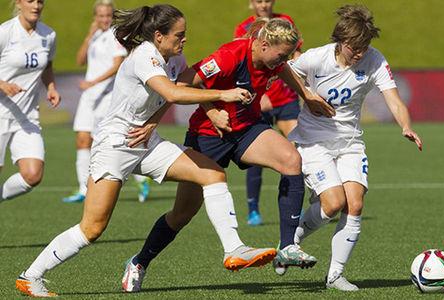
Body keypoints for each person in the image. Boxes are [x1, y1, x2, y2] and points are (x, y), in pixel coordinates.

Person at [16, 5, 277, 297]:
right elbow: (172, 92)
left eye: (185, 34)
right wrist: (221, 95)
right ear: (158, 35)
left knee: (213, 173)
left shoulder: (174, 56)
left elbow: (175, 88)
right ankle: (30, 275)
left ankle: (234, 249)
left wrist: (152, 123)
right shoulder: (144, 56)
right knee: (92, 229)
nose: (184, 40)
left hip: (145, 141)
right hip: (115, 144)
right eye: (179, 35)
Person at [122, 17, 337, 293]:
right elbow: (184, 82)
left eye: (285, 56)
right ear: (262, 43)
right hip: (209, 135)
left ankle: (288, 246)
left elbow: (284, 70)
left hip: (248, 130)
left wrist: (305, 94)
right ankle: (140, 262)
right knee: (181, 215)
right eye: (280, 55)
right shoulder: (229, 55)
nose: (281, 61)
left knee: (291, 159)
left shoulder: (274, 58)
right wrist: (212, 111)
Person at [284, 4, 423, 291]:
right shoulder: (317, 58)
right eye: (354, 48)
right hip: (313, 141)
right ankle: (292, 239)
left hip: (350, 142)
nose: (360, 53)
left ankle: (335, 276)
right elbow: (286, 71)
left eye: (364, 47)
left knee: (355, 204)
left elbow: (393, 99)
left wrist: (406, 126)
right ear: (341, 41)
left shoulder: (374, 60)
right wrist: (307, 95)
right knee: (333, 204)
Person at [234, 0, 304, 226]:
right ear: (251, 3)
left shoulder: (286, 22)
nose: (263, 4)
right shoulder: (243, 28)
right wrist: (258, 92)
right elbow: (243, 61)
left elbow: (296, 54)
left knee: (296, 149)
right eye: (259, 0)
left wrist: (301, 83)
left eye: (267, 0)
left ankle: (294, 204)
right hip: (259, 101)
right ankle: (253, 209)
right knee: (256, 155)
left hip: (285, 98)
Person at [62, 0, 128, 203]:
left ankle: (139, 176)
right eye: (101, 16)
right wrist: (89, 35)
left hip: (107, 96)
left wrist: (93, 82)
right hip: (89, 97)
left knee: (106, 142)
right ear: (95, 17)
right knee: (82, 139)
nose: (105, 19)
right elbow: (80, 60)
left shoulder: (115, 35)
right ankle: (83, 189)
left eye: (108, 15)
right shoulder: (96, 35)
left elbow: (117, 65)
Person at [0, 0, 60, 204]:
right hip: (0, 113)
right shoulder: (5, 32)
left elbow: (47, 65)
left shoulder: (49, 35)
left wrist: (51, 87)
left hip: (27, 117)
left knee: (33, 175)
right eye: (30, 0)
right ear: (18, 3)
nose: (36, 6)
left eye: (40, 1)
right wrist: (2, 84)